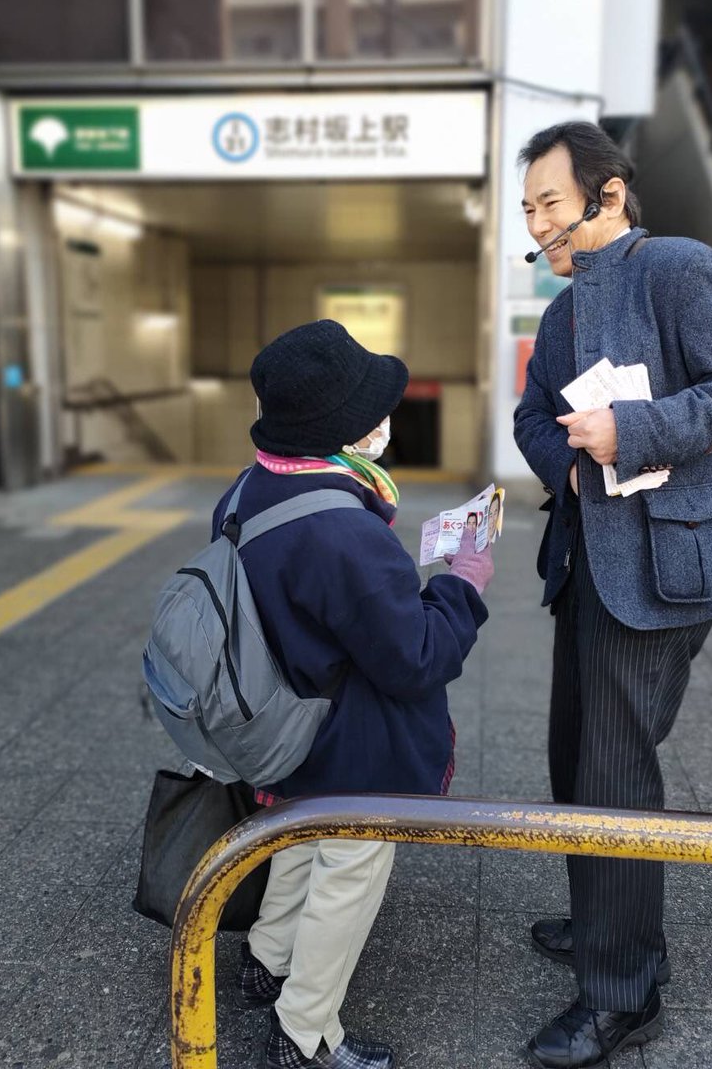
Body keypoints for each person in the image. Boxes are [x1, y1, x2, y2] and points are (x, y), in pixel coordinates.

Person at [512, 122, 712, 1069]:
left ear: (608, 193)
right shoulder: (562, 314)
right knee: (574, 758)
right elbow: (531, 417)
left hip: (662, 569)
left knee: (616, 771)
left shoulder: (680, 269)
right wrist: (575, 466)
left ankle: (623, 991)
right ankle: (604, 920)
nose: (537, 223)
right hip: (584, 564)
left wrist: (633, 430)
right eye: (527, 208)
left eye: (549, 202)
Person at [211, 319, 494, 1069]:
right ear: (339, 429)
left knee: (298, 837)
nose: (385, 422)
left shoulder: (251, 486)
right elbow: (416, 658)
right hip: (352, 739)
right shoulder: (344, 530)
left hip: (287, 718)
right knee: (348, 871)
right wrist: (463, 583)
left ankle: (267, 959)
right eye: (374, 411)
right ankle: (306, 1033)